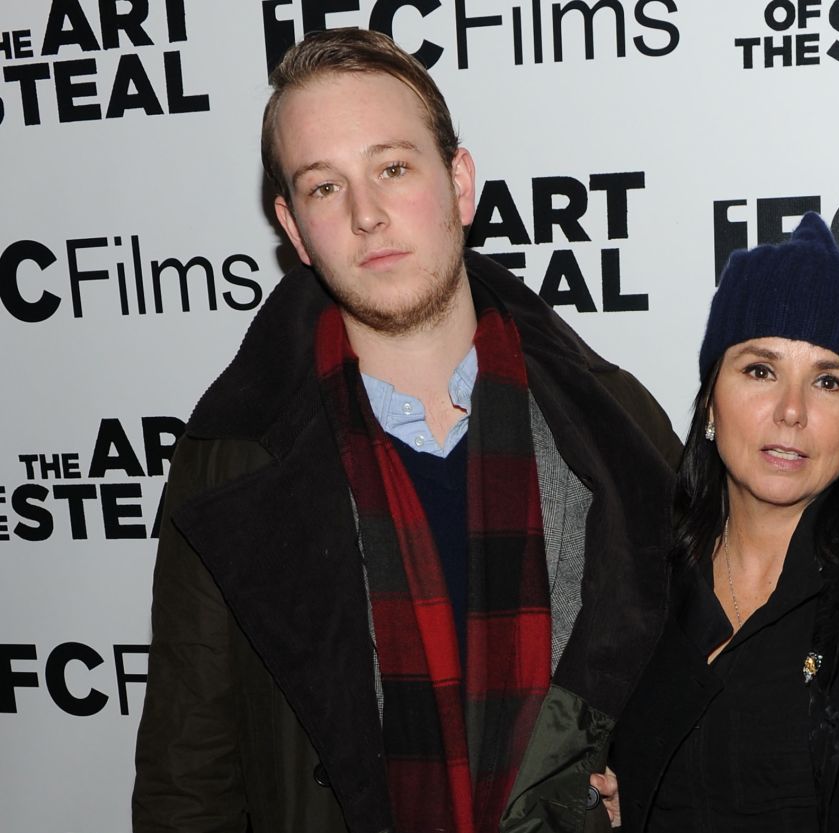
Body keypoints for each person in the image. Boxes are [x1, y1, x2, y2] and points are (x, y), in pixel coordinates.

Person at [131, 28, 680, 833]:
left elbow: (699, 701)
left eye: (393, 167)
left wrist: (658, 788)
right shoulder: (231, 460)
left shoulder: (616, 424)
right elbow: (187, 782)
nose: (366, 214)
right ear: (292, 227)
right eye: (324, 186)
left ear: (459, 183)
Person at [604, 213, 839, 832]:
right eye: (761, 370)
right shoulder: (636, 580)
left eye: (829, 381)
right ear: (710, 399)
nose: (791, 410)